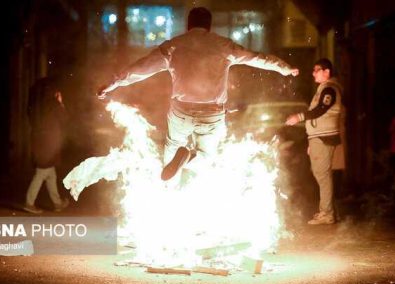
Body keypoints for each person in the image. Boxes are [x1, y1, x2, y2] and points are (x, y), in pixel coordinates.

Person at [98, 7, 299, 182]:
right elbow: (257, 58)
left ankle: (171, 182)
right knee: (207, 156)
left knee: (172, 147)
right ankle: (190, 159)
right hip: (212, 113)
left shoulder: (174, 46)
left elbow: (141, 68)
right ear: (209, 26)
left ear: (188, 25)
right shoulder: (223, 45)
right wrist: (284, 68)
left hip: (181, 111)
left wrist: (113, 83)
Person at [286, 58, 342, 225]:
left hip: (324, 137)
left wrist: (299, 117)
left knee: (322, 176)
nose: (313, 73)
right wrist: (311, 141)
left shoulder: (330, 89)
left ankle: (327, 213)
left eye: (316, 70)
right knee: (322, 175)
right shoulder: (324, 88)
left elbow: (320, 110)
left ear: (327, 72)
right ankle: (329, 211)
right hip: (319, 138)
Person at [24, 77, 69, 213]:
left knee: (50, 174)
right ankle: (29, 203)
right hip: (49, 142)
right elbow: (65, 119)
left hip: (38, 140)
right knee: (42, 172)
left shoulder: (34, 105)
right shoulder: (53, 104)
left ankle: (57, 203)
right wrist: (60, 102)